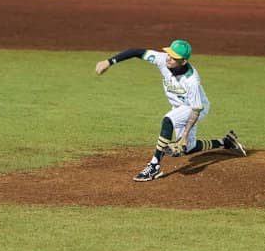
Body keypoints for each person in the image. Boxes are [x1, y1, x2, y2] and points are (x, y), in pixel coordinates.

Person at [95, 39, 246, 182]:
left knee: (168, 120)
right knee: (188, 149)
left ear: (183, 61)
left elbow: (196, 109)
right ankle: (225, 142)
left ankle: (154, 166)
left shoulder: (191, 80)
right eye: (169, 54)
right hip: (180, 107)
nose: (169, 58)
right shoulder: (162, 59)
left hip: (196, 108)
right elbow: (136, 52)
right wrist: (109, 61)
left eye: (174, 57)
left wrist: (184, 135)